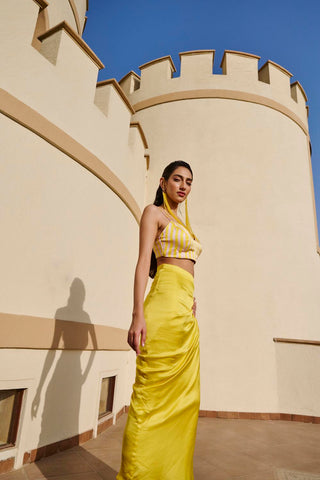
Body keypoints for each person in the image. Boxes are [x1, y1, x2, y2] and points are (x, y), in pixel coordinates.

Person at [116, 160, 202, 480]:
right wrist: (137, 315)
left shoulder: (182, 222)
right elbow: (143, 264)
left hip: (185, 316)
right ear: (164, 182)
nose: (183, 186)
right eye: (177, 179)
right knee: (149, 401)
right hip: (162, 312)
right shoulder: (154, 213)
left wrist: (190, 297)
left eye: (189, 182)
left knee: (185, 402)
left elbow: (186, 266)